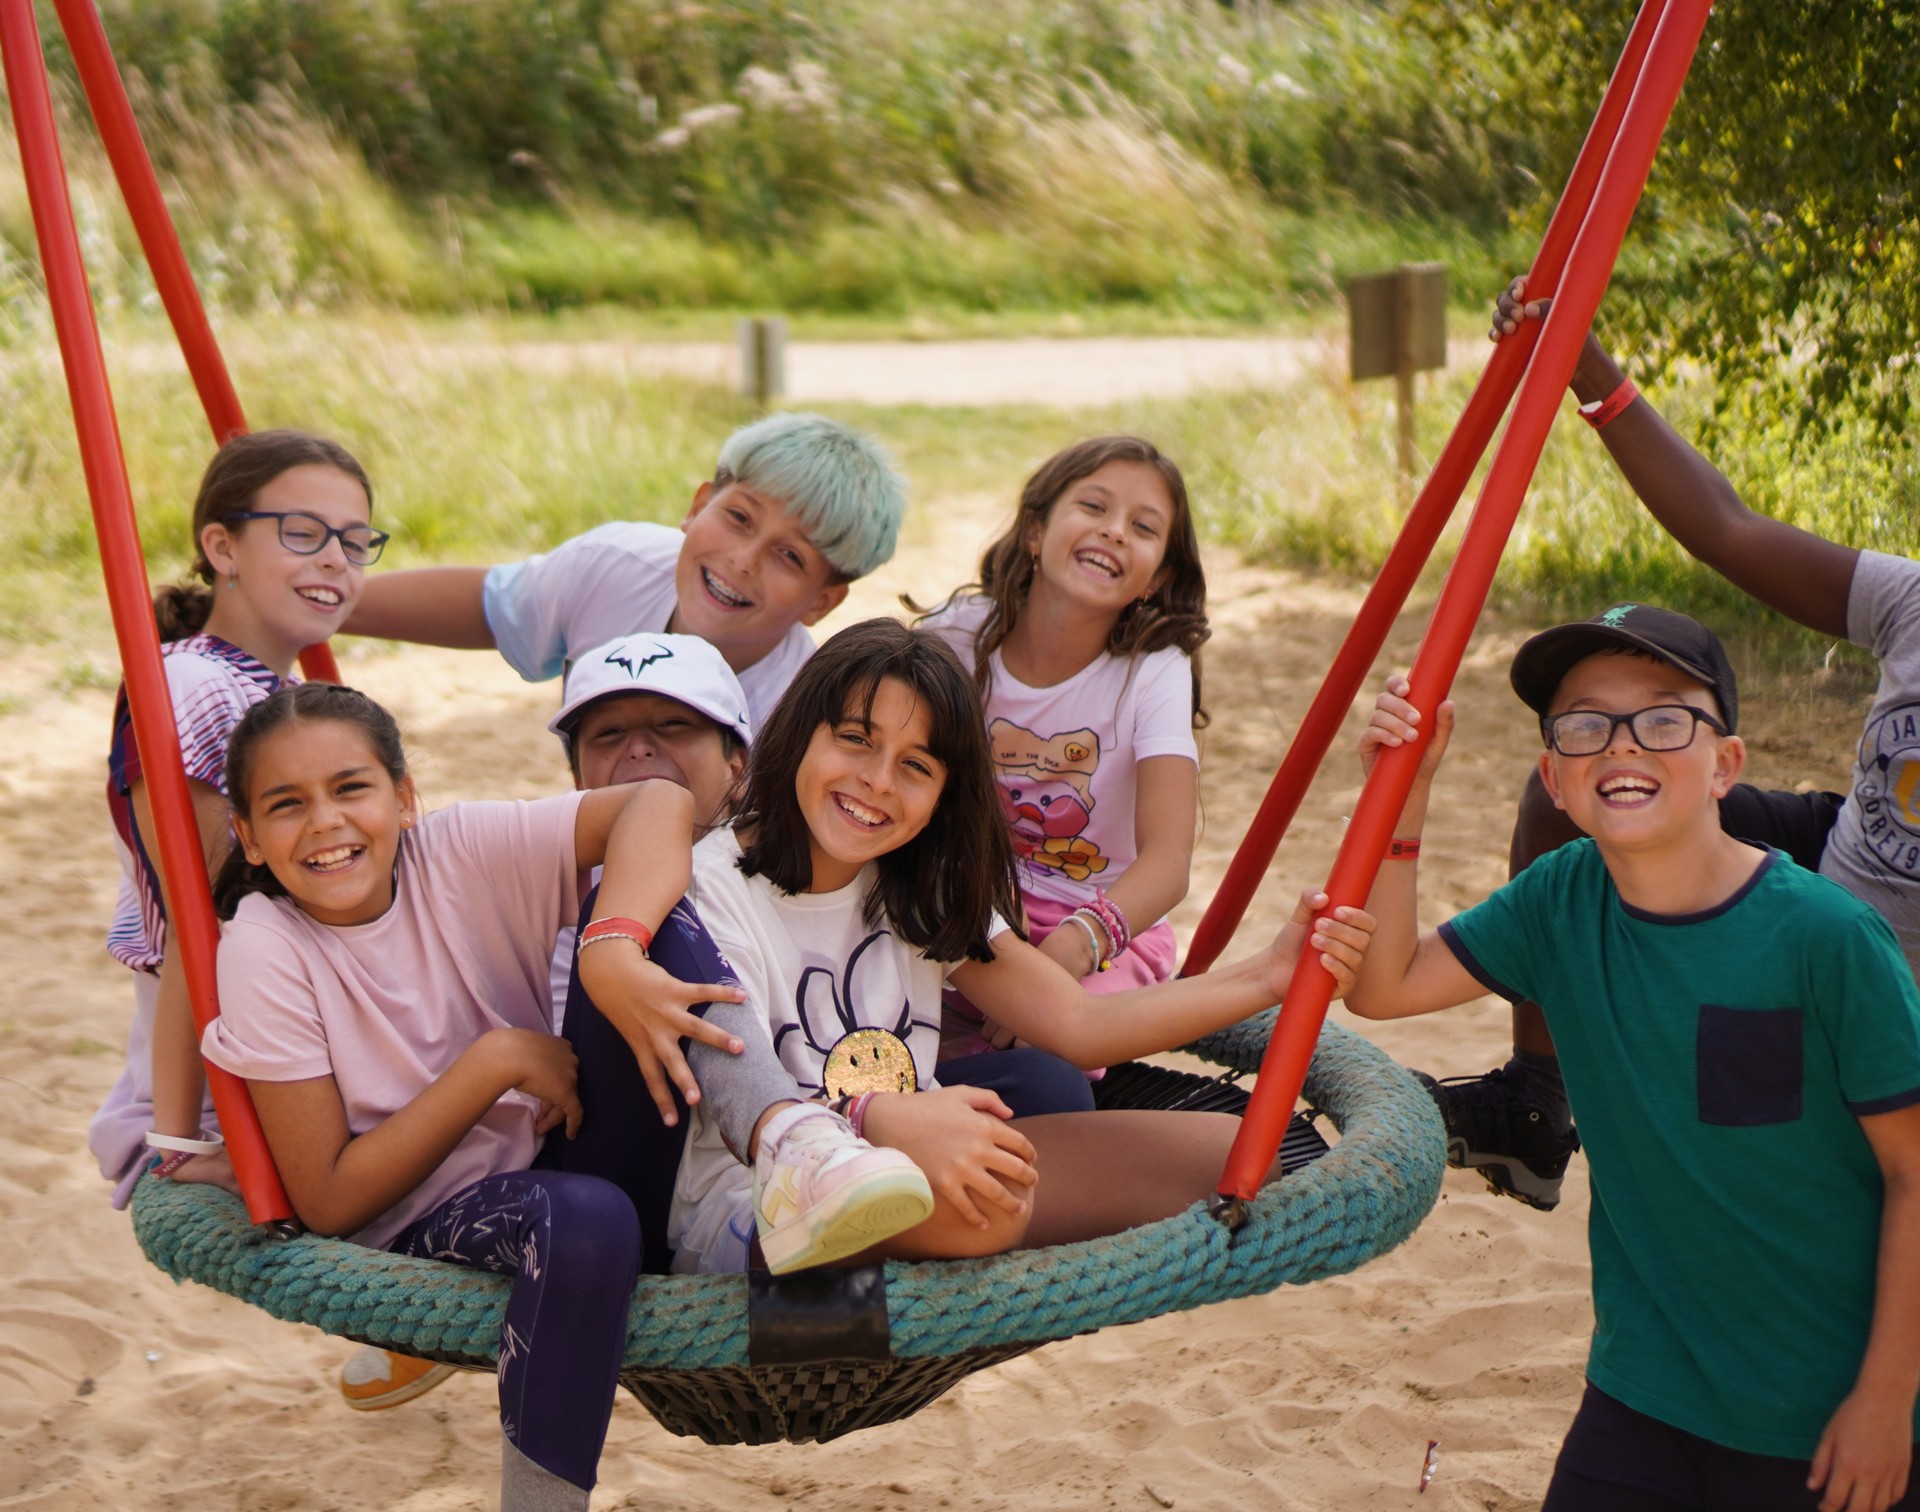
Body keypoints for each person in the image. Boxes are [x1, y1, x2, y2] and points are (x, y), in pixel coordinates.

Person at [199, 680, 929, 1510]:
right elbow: (329, 1200)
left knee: (647, 913)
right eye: (287, 805)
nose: (326, 822)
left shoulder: (455, 849)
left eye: (350, 788)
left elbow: (655, 803)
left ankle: (788, 1141)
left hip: (574, 1156)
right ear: (249, 838)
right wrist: (495, 1062)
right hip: (431, 1229)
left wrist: (611, 948)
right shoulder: (264, 946)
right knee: (589, 1220)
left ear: (405, 799)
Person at [1348, 607, 1920, 1512]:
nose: (1622, 746)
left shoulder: (1828, 938)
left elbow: (1914, 1171)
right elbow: (1383, 984)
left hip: (1825, 1404)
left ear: (1725, 765)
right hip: (1647, 1389)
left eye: (1663, 719)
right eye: (1584, 725)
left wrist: (1889, 1403)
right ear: (1556, 780)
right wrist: (1404, 795)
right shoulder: (1561, 899)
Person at [666, 617, 1376, 1273]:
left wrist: (1270, 975)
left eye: (916, 766)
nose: (877, 781)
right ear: (798, 735)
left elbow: (1080, 1024)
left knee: (1234, 1154)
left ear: (945, 795)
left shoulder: (918, 883)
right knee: (989, 1208)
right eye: (855, 739)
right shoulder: (711, 887)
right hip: (760, 1197)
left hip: (922, 1161)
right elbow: (744, 1095)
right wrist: (887, 1125)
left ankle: (966, 1224)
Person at [1425, 280, 1920, 1213]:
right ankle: (1536, 1105)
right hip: (1842, 859)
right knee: (1579, 789)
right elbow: (1725, 528)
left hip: (1885, 967)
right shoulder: (1911, 601)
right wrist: (1588, 368)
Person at [89, 429, 380, 1207]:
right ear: (222, 547)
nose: (334, 560)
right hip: (237, 1079)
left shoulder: (274, 696)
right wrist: (184, 1134)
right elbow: (204, 917)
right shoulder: (193, 686)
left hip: (295, 1047)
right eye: (303, 533)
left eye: (355, 543)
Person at [916, 435, 1206, 1073]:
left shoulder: (1152, 672)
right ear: (1034, 530)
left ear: (1157, 578)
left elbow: (1168, 863)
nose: (1115, 532)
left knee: (1052, 1054)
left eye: (1144, 527)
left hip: (1099, 920)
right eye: (1094, 507)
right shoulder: (957, 638)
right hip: (968, 898)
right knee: (884, 1022)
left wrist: (1071, 951)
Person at [341, 411, 906, 727]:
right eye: (738, 517)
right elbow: (491, 609)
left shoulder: (805, 718)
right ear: (696, 505)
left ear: (821, 602)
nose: (744, 560)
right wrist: (330, 604)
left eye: (791, 557)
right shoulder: (616, 566)